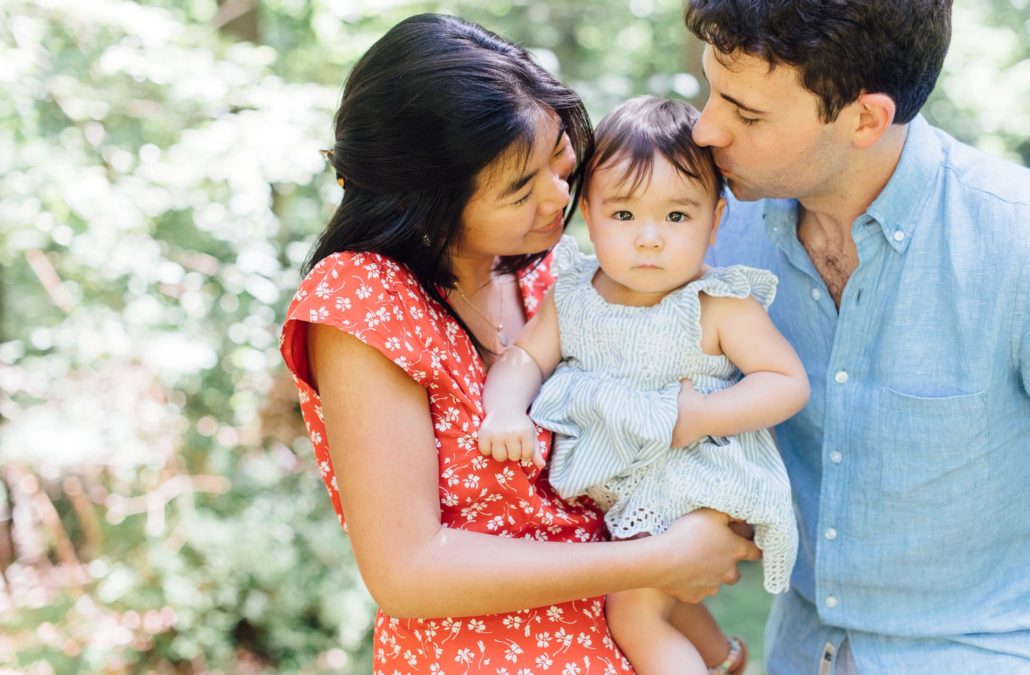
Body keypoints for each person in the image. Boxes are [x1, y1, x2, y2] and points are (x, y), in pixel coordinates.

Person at [278, 14, 761, 674]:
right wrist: (662, 558)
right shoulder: (365, 299)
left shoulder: (556, 274)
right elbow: (407, 569)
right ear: (426, 200)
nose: (558, 198)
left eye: (561, 165)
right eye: (519, 188)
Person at [684, 1, 1030, 673]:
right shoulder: (719, 234)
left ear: (866, 119)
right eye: (711, 92)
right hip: (798, 653)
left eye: (746, 114)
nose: (704, 128)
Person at [478, 95, 809, 675]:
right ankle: (721, 660)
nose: (649, 238)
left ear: (715, 221)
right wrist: (504, 410)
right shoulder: (576, 294)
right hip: (629, 486)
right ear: (588, 213)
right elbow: (523, 359)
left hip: (697, 482)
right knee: (665, 606)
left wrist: (701, 415)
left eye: (677, 216)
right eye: (624, 215)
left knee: (633, 614)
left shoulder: (717, 303)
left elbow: (785, 383)